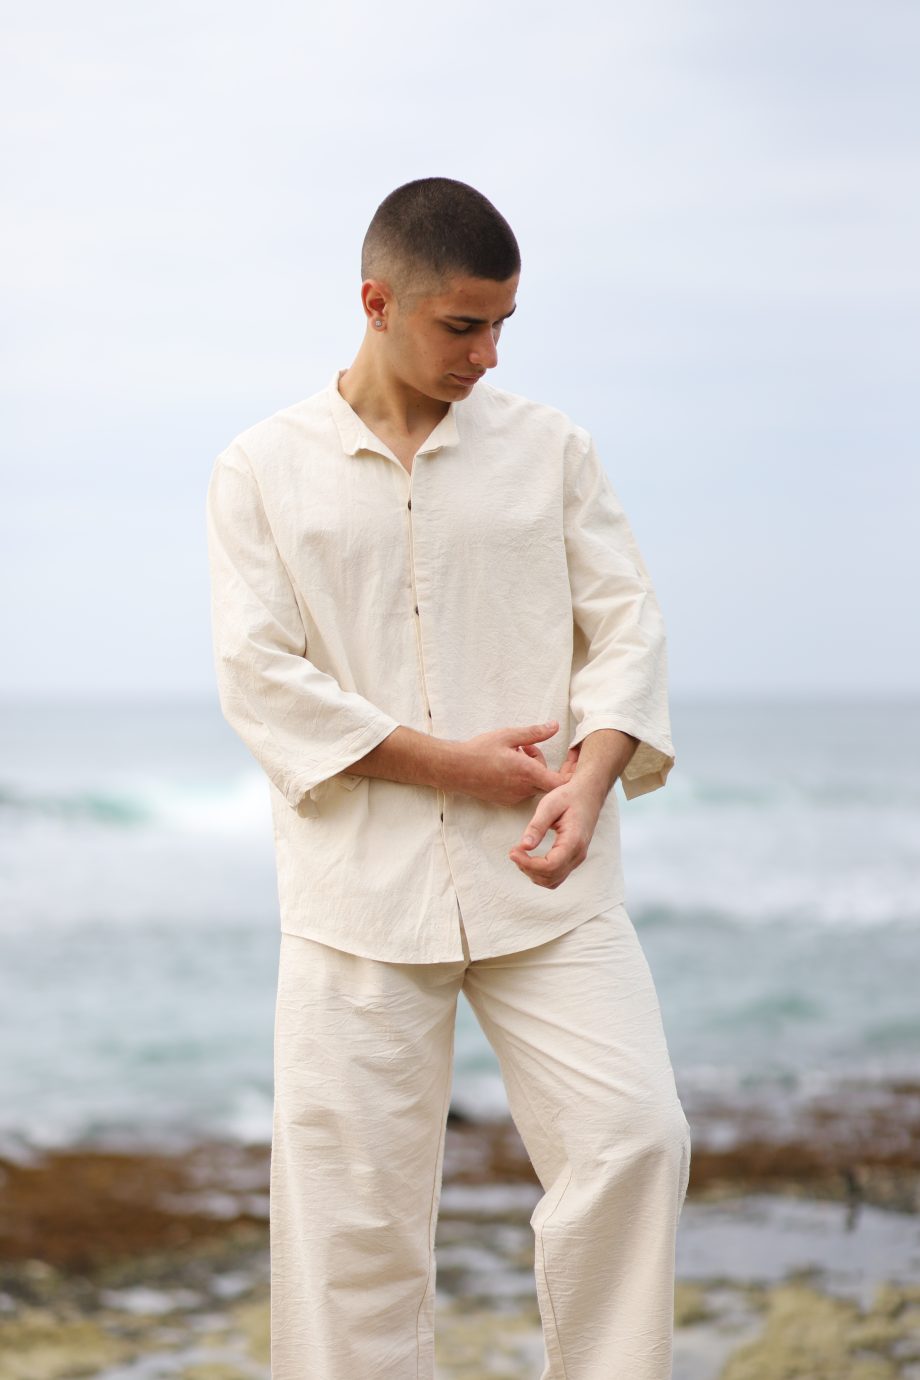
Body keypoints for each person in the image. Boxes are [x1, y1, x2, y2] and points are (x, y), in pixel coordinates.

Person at [206, 176, 691, 1380]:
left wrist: (585, 781)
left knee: (634, 1139)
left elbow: (625, 628)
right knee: (349, 1240)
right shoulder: (259, 470)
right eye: (460, 326)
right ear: (376, 303)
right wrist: (454, 769)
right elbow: (260, 678)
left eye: (502, 326)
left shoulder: (550, 450)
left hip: (548, 883)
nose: (485, 352)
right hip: (354, 901)